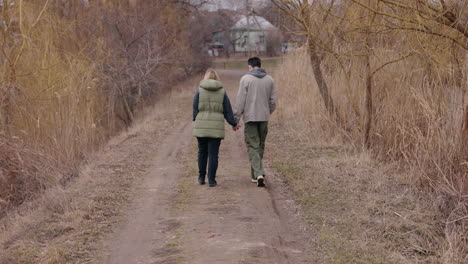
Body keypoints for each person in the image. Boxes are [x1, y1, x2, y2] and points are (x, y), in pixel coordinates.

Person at [234, 57, 277, 187]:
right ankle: (255, 175)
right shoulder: (270, 79)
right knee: (260, 145)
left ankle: (258, 173)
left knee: (253, 145)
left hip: (250, 117)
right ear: (260, 65)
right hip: (264, 117)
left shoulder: (245, 79)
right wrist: (267, 111)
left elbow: (241, 101)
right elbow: (273, 101)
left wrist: (236, 118)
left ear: (250, 66)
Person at [193, 69, 238, 187]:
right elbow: (228, 110)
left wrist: (196, 119)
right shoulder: (222, 92)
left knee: (202, 152)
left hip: (201, 126)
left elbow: (195, 108)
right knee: (213, 154)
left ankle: (201, 177)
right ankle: (212, 180)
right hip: (216, 127)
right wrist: (233, 123)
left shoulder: (199, 91)